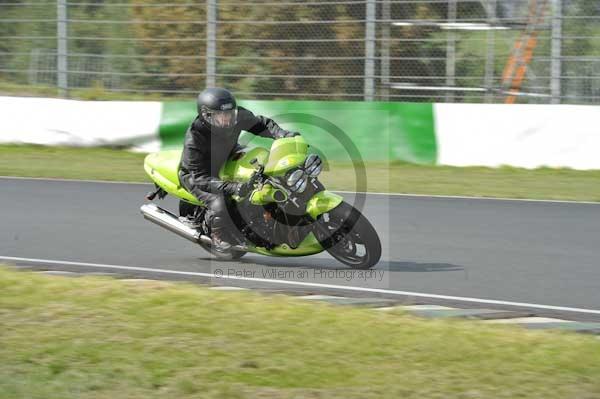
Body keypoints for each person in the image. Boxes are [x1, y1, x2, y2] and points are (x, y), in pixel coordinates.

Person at [179, 87, 299, 251]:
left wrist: (282, 134)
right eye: (221, 115)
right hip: (198, 175)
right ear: (206, 115)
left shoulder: (237, 117)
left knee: (265, 173)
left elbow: (261, 124)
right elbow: (199, 177)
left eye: (229, 114)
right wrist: (232, 187)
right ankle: (218, 236)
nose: (227, 119)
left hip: (228, 156)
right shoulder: (195, 137)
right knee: (220, 202)